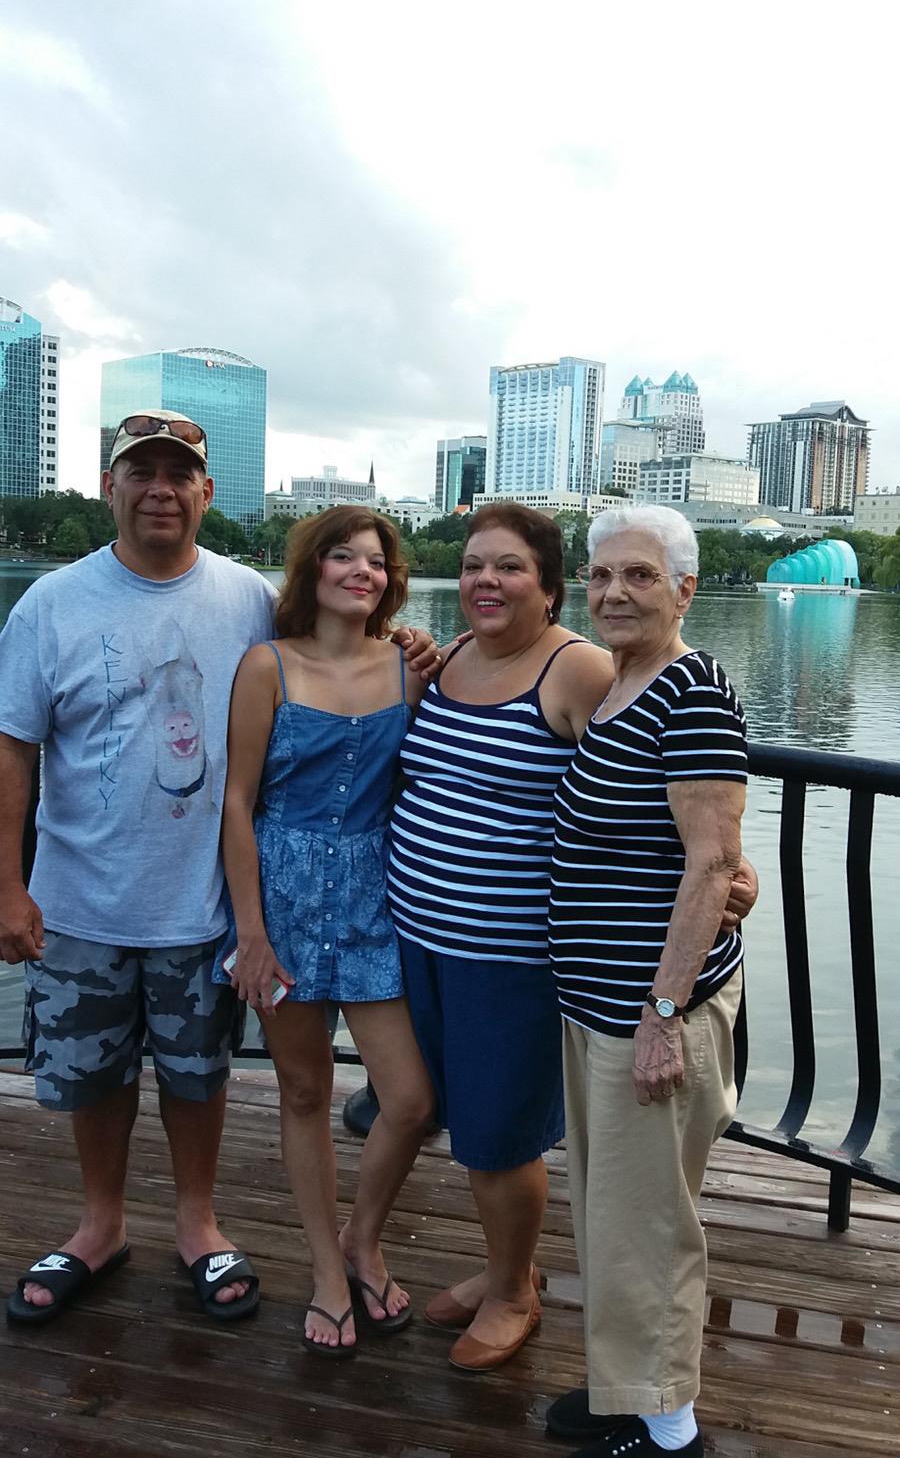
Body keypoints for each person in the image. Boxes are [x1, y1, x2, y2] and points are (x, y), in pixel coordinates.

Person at [0, 412, 436, 1329]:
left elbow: (332, 646)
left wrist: (414, 646)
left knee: (198, 1075)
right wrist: (9, 884)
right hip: (81, 893)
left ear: (205, 492)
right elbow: (14, 751)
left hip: (200, 902)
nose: (160, 489)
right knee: (94, 1073)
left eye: (178, 475)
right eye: (141, 473)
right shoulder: (50, 604)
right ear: (110, 487)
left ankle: (199, 1224)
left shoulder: (246, 600)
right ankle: (100, 1224)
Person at [387, 503, 758, 1374]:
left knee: (506, 1139)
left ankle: (541, 1311)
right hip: (443, 944)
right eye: (474, 564)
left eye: (510, 567)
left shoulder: (591, 670)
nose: (485, 579)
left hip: (519, 958)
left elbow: (701, 822)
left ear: (547, 589)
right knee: (489, 1133)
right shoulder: (451, 663)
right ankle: (507, 1272)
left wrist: (727, 882)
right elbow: (642, 806)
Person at [544, 505, 749, 1458]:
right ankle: (626, 1386)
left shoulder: (692, 692)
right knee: (609, 1211)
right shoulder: (623, 682)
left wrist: (664, 1012)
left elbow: (712, 865)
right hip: (598, 1000)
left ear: (684, 590)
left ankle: (669, 1427)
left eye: (639, 575)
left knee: (650, 1223)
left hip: (650, 1009)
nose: (614, 591)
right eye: (601, 575)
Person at [217, 506, 435, 1358]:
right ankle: (324, 1268)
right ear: (311, 571)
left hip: (378, 899)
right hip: (282, 905)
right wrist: (251, 935)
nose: (360, 571)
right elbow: (237, 802)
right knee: (304, 1093)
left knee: (410, 1099)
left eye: (375, 561)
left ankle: (363, 1239)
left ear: (390, 580)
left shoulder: (412, 666)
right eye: (341, 556)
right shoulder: (266, 666)